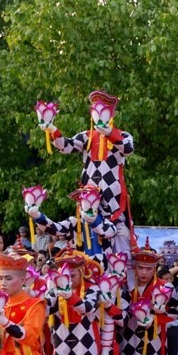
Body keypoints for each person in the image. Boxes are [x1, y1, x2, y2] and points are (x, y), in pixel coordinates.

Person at [40, 90, 136, 265]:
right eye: (96, 112)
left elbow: (128, 149)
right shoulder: (87, 136)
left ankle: (120, 279)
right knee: (87, 231)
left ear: (111, 113)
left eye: (104, 112)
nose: (100, 116)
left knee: (120, 244)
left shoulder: (121, 135)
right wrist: (51, 128)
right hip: (89, 197)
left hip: (113, 203)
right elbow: (66, 147)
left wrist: (109, 133)